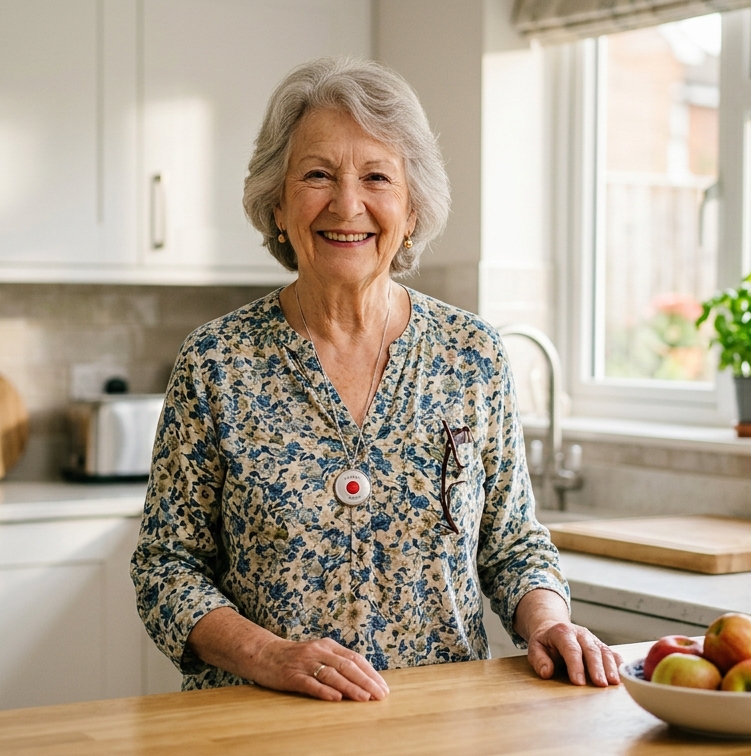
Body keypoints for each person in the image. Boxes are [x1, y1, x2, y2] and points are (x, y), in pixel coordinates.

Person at [131, 57, 621, 702]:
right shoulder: (217, 362)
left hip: (437, 725)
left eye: (377, 176)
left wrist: (550, 621)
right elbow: (166, 567)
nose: (347, 204)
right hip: (257, 723)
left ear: (412, 209)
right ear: (277, 205)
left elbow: (511, 544)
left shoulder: (472, 355)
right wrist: (268, 655)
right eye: (317, 175)